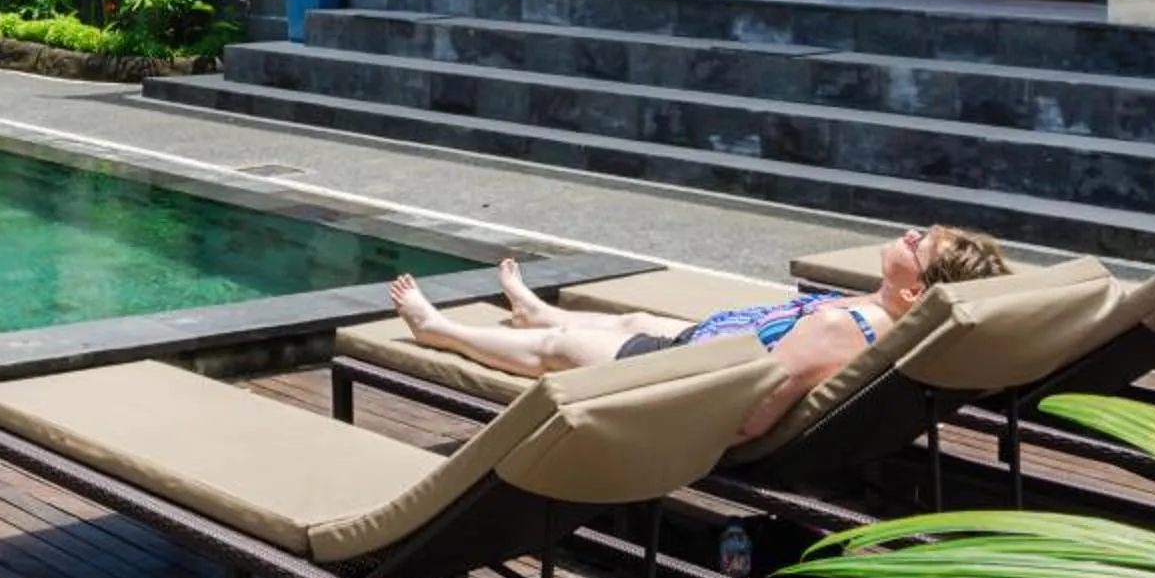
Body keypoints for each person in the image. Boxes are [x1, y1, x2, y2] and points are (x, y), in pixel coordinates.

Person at [385, 226, 1014, 442]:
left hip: (688, 374)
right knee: (629, 319)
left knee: (558, 354)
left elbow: (753, 417)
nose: (907, 234)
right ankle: (536, 309)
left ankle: (440, 329)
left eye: (916, 245)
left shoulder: (837, 330)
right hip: (709, 342)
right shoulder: (883, 314)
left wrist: (676, 423)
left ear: (915, 291)